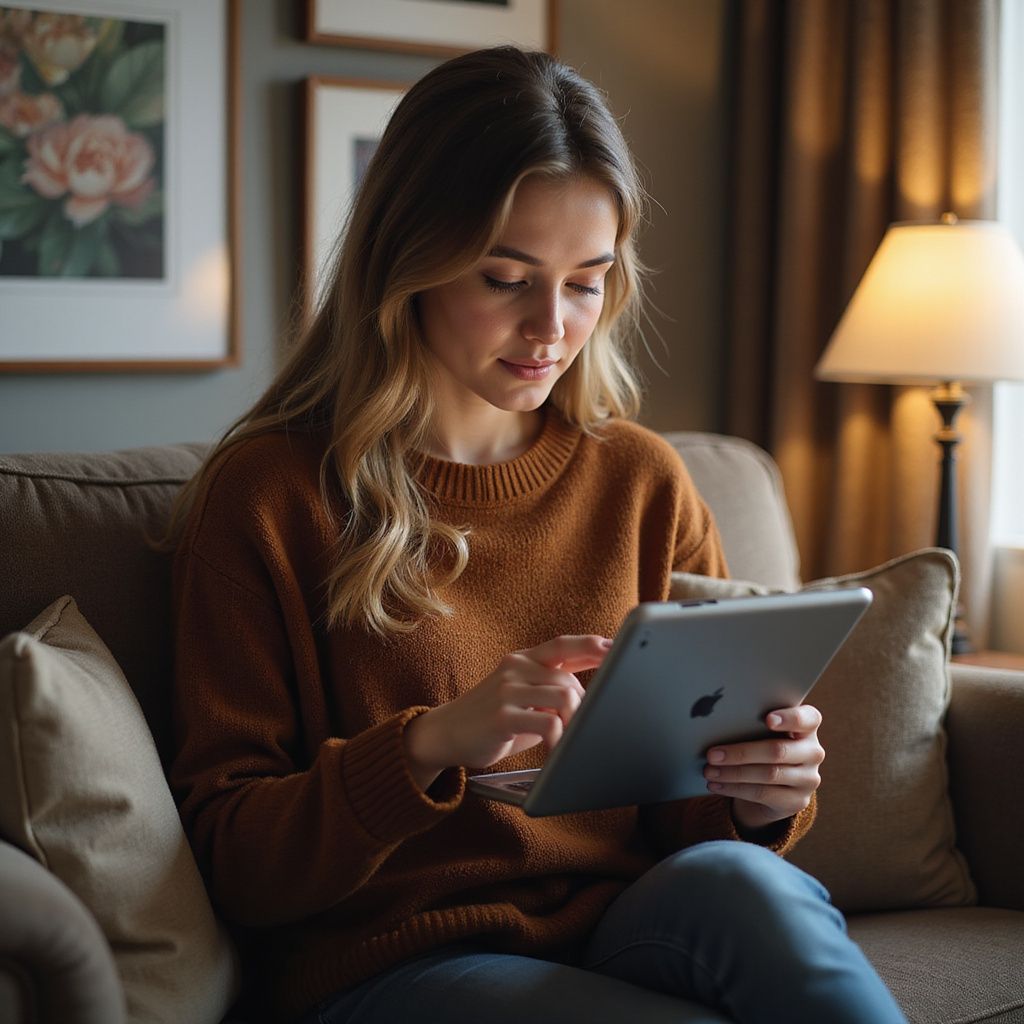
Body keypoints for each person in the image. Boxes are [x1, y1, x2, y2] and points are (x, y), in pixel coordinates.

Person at [166, 46, 907, 1024]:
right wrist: (430, 743)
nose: (551, 327)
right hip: (386, 967)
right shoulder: (269, 495)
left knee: (757, 889)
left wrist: (759, 793)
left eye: (585, 282)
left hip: (621, 922)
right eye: (506, 278)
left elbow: (689, 821)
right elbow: (235, 859)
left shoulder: (638, 478)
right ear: (409, 264)